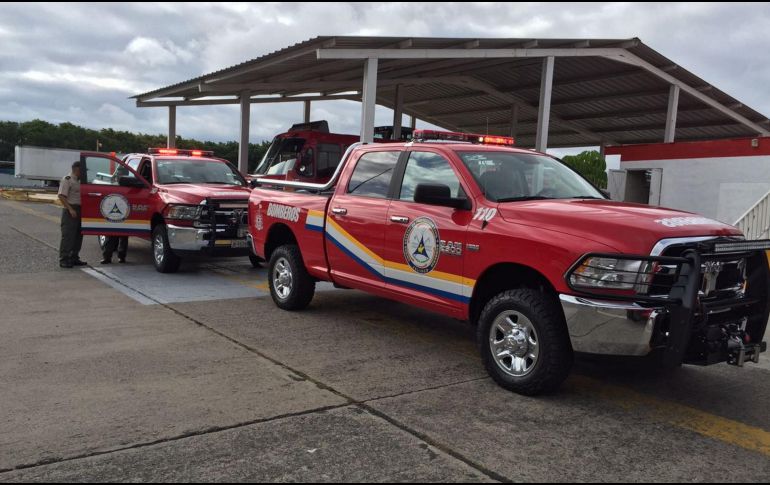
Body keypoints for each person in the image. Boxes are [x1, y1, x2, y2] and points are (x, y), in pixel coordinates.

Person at [58, 161, 86, 268]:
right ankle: (64, 259)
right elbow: (61, 196)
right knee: (68, 236)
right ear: (76, 169)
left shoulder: (80, 181)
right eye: (81, 170)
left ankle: (74, 257)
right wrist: (70, 209)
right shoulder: (67, 179)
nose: (83, 172)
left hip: (80, 209)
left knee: (78, 235)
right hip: (71, 209)